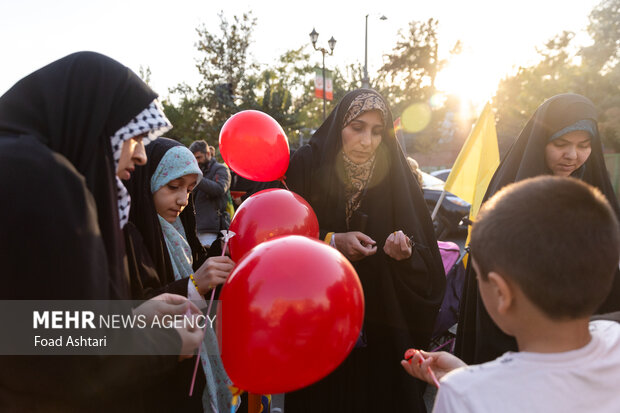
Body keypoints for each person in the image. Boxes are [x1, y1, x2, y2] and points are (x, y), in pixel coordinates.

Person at [0, 51, 203, 410]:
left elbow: (26, 327)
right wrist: (168, 343)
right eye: (134, 137)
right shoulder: (47, 181)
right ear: (93, 121)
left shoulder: (16, 168)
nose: (140, 155)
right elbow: (69, 362)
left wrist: (128, 319)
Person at [284, 89, 446, 413]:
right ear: (339, 125)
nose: (367, 141)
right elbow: (281, 240)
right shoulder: (307, 164)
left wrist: (406, 254)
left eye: (376, 132)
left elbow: (429, 265)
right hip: (318, 320)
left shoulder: (395, 177)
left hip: (380, 326)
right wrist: (331, 241)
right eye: (356, 127)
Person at [402, 176, 620, 413]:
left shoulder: (460, 394)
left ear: (501, 292)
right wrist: (470, 378)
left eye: (477, 277)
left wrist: (468, 382)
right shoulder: (614, 336)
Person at [456, 93, 620, 364]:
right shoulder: (507, 195)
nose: (573, 155)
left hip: (586, 342)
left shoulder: (596, 193)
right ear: (540, 141)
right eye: (561, 143)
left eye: (584, 145)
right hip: (517, 341)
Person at [124, 137, 235, 412]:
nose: (183, 199)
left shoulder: (180, 230)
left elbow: (197, 278)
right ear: (147, 181)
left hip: (187, 368)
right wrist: (195, 284)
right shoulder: (129, 235)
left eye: (190, 189)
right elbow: (137, 307)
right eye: (173, 187)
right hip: (153, 380)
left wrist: (220, 256)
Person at [189, 139, 232, 247]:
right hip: (194, 227)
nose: (197, 161)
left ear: (208, 154)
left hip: (210, 228)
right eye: (194, 159)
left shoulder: (220, 169)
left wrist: (197, 177)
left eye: (199, 157)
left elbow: (219, 189)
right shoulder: (199, 170)